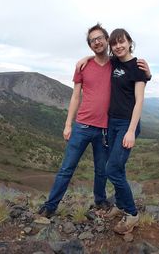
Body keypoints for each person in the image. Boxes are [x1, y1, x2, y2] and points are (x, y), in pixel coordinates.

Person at [38, 24, 150, 218]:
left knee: (102, 171)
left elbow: (135, 73)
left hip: (105, 129)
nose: (97, 42)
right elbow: (75, 97)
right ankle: (50, 206)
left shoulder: (116, 64)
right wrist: (67, 124)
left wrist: (148, 73)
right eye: (92, 40)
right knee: (66, 169)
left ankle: (100, 200)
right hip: (81, 126)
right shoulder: (82, 66)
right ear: (89, 45)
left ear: (106, 40)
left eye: (100, 38)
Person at [102, 28, 151, 234]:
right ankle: (121, 205)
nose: (118, 46)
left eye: (121, 42)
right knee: (118, 167)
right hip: (111, 122)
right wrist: (84, 59)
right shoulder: (114, 63)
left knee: (111, 169)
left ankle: (132, 213)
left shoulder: (137, 66)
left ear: (130, 42)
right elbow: (99, 56)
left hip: (126, 124)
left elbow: (139, 100)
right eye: (114, 43)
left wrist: (131, 131)